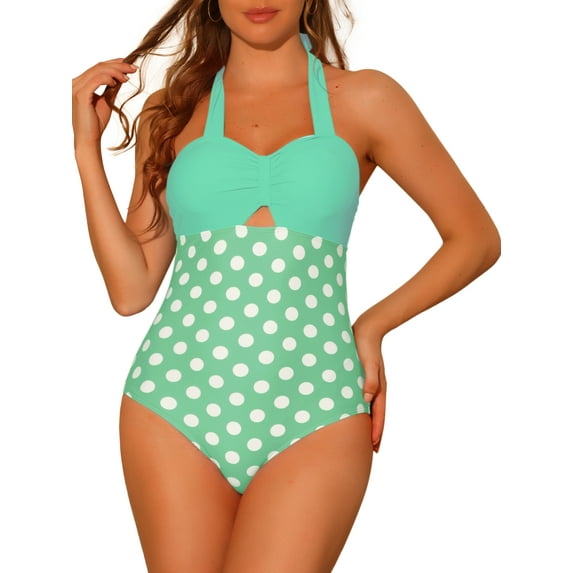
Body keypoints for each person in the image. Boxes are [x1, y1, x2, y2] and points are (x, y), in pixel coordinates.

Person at [72, 0, 501, 570]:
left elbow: (474, 238)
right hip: (172, 402)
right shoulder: (170, 112)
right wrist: (86, 151)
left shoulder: (367, 99)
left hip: (319, 406)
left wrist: (371, 327)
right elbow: (132, 290)